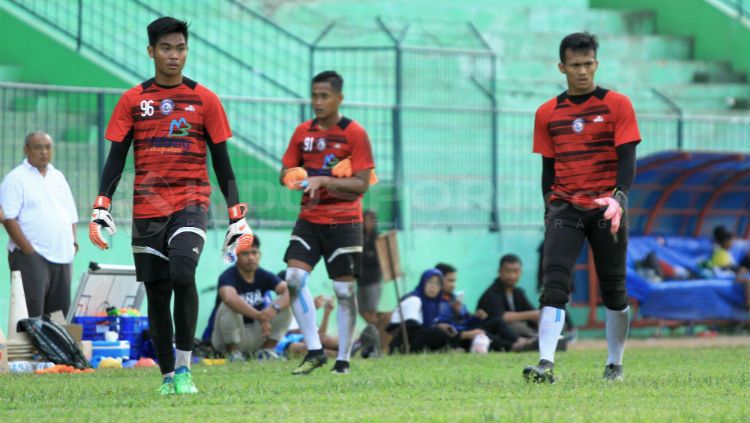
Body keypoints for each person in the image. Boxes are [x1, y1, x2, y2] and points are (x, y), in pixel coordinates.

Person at [87, 17, 253, 395]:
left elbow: (222, 161)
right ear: (151, 52)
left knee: (182, 274)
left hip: (192, 202)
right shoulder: (133, 101)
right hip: (146, 210)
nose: (174, 56)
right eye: (166, 48)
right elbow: (116, 158)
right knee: (158, 293)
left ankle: (183, 369)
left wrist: (236, 215)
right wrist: (102, 206)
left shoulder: (206, 100)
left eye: (180, 48)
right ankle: (166, 376)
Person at [526, 32, 641, 383]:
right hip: (566, 207)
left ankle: (614, 363)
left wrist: (619, 195)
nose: (581, 71)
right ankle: (546, 362)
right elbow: (548, 167)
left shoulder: (617, 104)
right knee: (555, 282)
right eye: (574, 65)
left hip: (607, 208)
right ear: (562, 67)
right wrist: (550, 206)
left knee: (614, 289)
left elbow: (627, 158)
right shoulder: (547, 112)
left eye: (587, 64)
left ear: (596, 64)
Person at [280, 70, 375, 375]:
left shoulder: (355, 133)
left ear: (339, 98)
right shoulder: (302, 133)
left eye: (324, 96)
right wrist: (289, 177)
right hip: (309, 220)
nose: (318, 102)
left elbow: (362, 184)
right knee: (294, 278)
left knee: (343, 292)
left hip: (344, 223)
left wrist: (324, 180)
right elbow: (286, 169)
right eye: (314, 95)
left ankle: (343, 360)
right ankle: (315, 350)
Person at [1, 131, 78, 318]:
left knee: (59, 316)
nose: (44, 151)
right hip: (31, 256)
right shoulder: (15, 178)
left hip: (62, 255)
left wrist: (73, 243)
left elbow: (70, 215)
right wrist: (28, 250)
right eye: (38, 147)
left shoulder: (58, 176)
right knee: (32, 313)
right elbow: (8, 218)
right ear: (26, 150)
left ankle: (55, 348)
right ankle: (33, 348)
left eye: (48, 147)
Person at [209, 236, 292, 361]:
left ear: (260, 254)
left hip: (256, 334)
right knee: (228, 306)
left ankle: (266, 351)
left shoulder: (263, 275)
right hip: (226, 339)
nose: (251, 257)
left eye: (254, 253)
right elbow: (229, 297)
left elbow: (290, 291)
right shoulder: (227, 276)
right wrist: (260, 316)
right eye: (245, 254)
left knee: (285, 306)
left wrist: (273, 310)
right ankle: (234, 353)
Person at [388, 269, 454, 354]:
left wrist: (437, 326)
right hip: (400, 341)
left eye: (438, 284)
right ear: (423, 282)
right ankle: (408, 352)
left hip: (413, 337)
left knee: (446, 333)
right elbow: (410, 328)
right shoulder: (414, 299)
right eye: (430, 282)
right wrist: (436, 328)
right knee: (437, 333)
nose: (433, 286)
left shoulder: (433, 304)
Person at [357, 209, 383, 357]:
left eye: (368, 220)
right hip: (361, 280)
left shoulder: (377, 238)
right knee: (362, 310)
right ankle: (374, 333)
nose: (365, 223)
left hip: (373, 279)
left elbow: (377, 258)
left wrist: (365, 256)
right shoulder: (359, 237)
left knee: (372, 310)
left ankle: (375, 341)